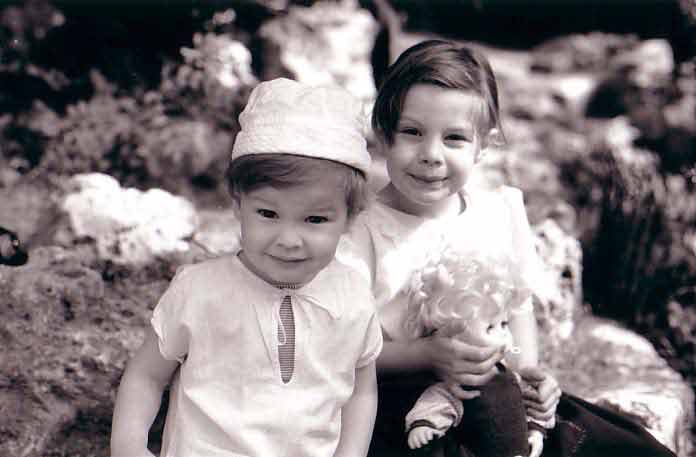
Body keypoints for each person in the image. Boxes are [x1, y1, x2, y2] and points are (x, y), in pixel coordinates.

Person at [338, 39, 677, 457]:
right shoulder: (361, 231)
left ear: (484, 144)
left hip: (495, 394)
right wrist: (425, 355)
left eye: (455, 138)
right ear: (383, 134)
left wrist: (527, 372)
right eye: (412, 132)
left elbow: (516, 310)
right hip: (402, 405)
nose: (431, 155)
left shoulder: (496, 213)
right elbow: (341, 349)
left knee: (629, 450)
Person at [110, 78, 383, 457]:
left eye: (315, 220)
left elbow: (361, 387)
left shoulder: (353, 295)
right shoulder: (200, 290)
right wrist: (129, 445)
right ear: (238, 205)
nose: (289, 239)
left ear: (350, 218)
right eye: (268, 214)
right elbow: (146, 375)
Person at [403, 251, 545, 457]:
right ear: (454, 337)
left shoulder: (511, 376)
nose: (504, 336)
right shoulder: (459, 387)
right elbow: (435, 406)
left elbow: (532, 407)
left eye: (504, 324)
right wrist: (423, 427)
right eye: (490, 328)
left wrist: (536, 431)